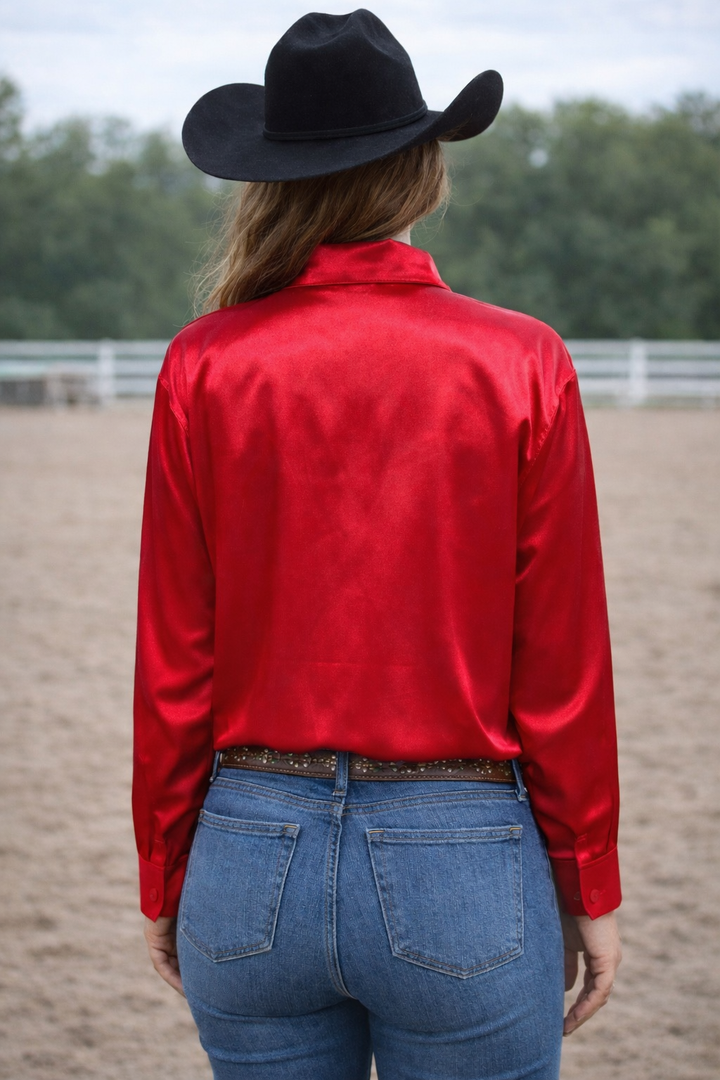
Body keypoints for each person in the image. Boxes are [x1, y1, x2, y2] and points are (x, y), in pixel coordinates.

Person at [134, 10, 622, 1080]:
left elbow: (175, 662)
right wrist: (590, 881)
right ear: (421, 170)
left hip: (248, 848)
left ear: (273, 178)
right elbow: (562, 666)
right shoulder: (522, 362)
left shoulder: (202, 366)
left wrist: (168, 868)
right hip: (462, 863)